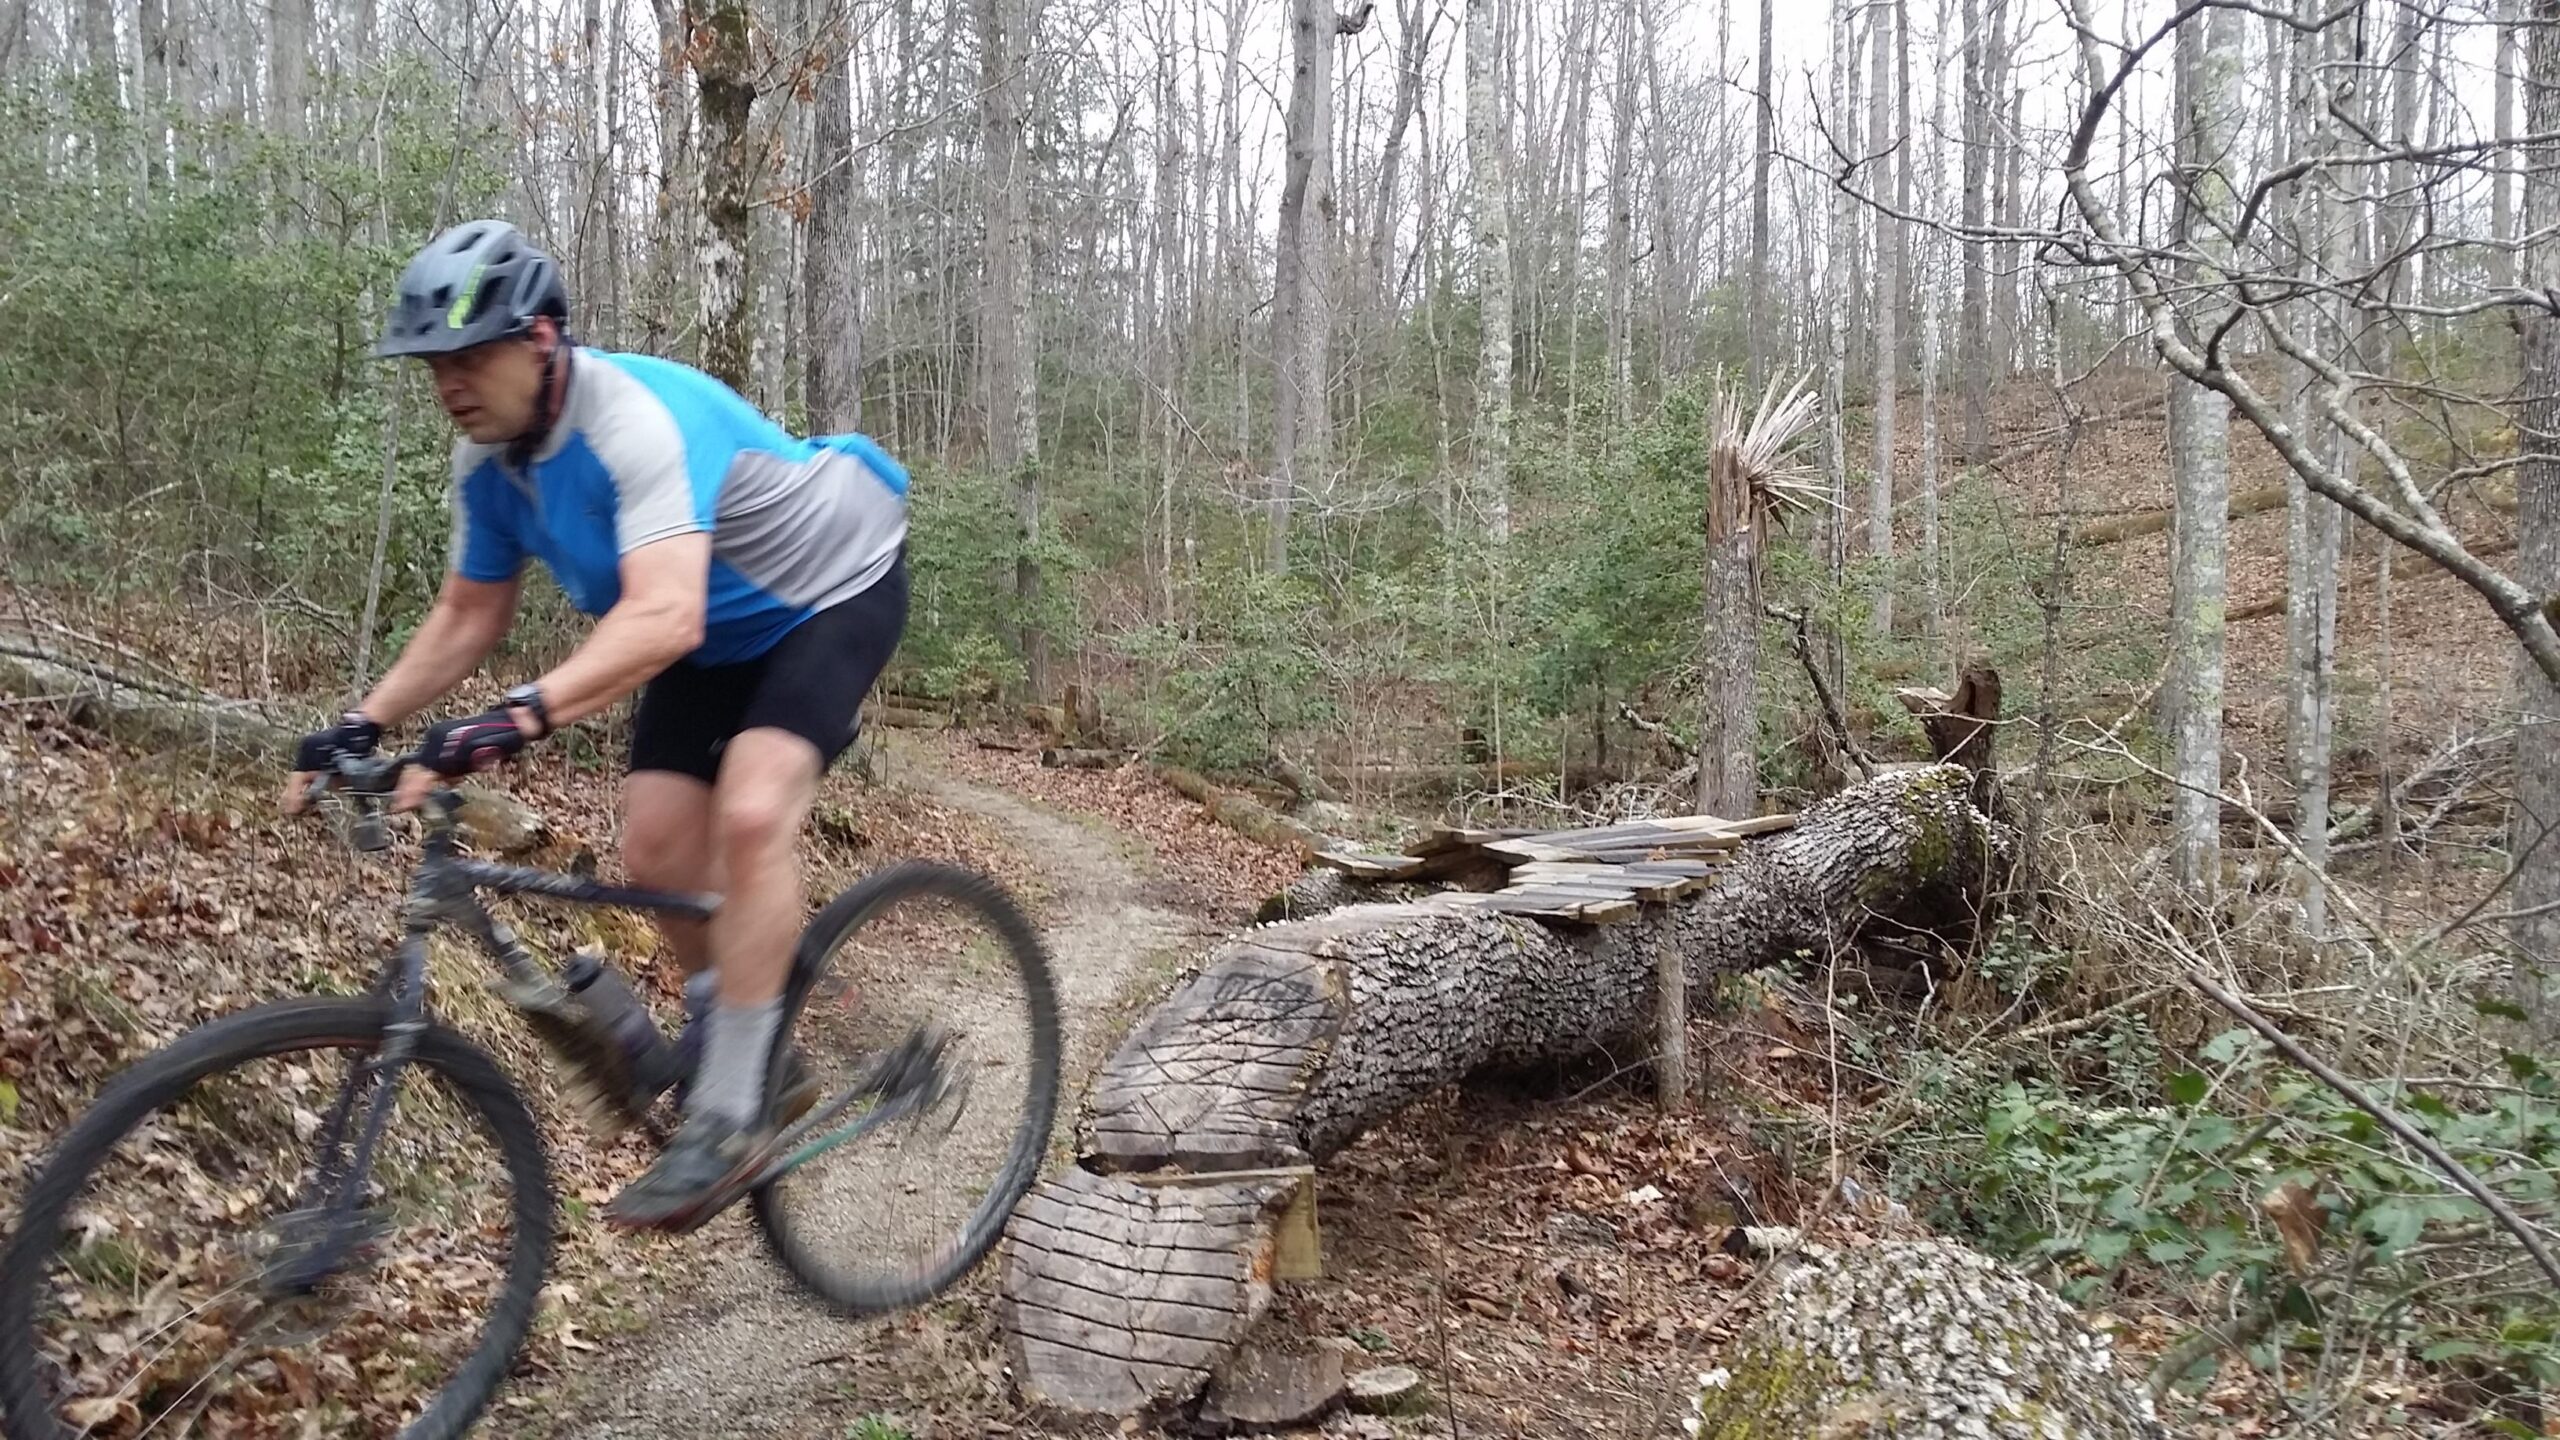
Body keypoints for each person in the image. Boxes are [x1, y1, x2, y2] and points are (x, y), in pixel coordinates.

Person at [283, 219, 911, 1232]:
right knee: (656, 847)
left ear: (540, 339)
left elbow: (664, 614)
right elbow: (467, 616)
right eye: (433, 363)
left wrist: (512, 720)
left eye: (470, 356)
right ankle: (748, 1047)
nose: (449, 382)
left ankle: (734, 1109)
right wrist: (360, 720)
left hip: (829, 589)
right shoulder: (489, 465)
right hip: (710, 638)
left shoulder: (635, 420)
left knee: (752, 814)